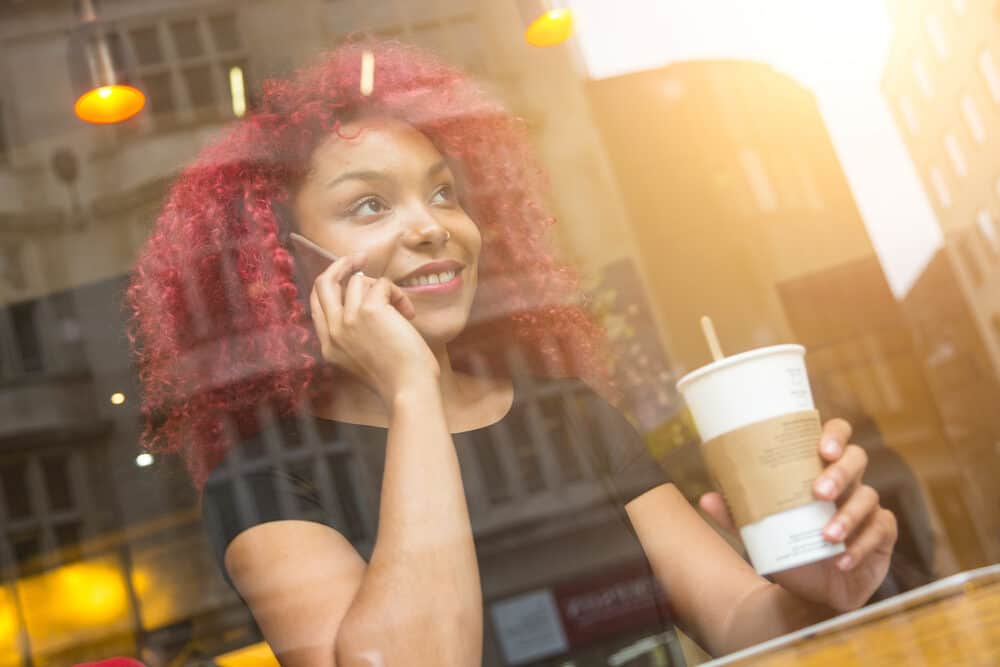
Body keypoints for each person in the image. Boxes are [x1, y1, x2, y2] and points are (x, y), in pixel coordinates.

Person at [127, 40, 898, 666]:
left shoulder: (565, 413)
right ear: (280, 265)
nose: (434, 227)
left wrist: (818, 586)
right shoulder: (267, 480)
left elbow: (741, 621)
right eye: (369, 204)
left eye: (442, 192)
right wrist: (412, 392)